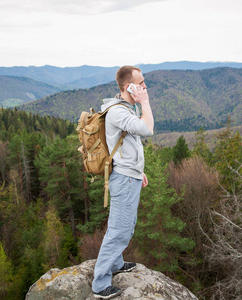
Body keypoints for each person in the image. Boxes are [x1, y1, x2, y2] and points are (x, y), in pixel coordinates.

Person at [92, 66, 154, 299]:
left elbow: (131, 143)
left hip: (131, 175)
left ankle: (116, 263)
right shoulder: (119, 112)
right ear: (129, 87)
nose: (144, 87)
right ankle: (100, 283)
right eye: (141, 83)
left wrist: (140, 170)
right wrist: (145, 102)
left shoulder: (126, 106)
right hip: (124, 179)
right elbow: (147, 129)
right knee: (120, 230)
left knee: (126, 225)